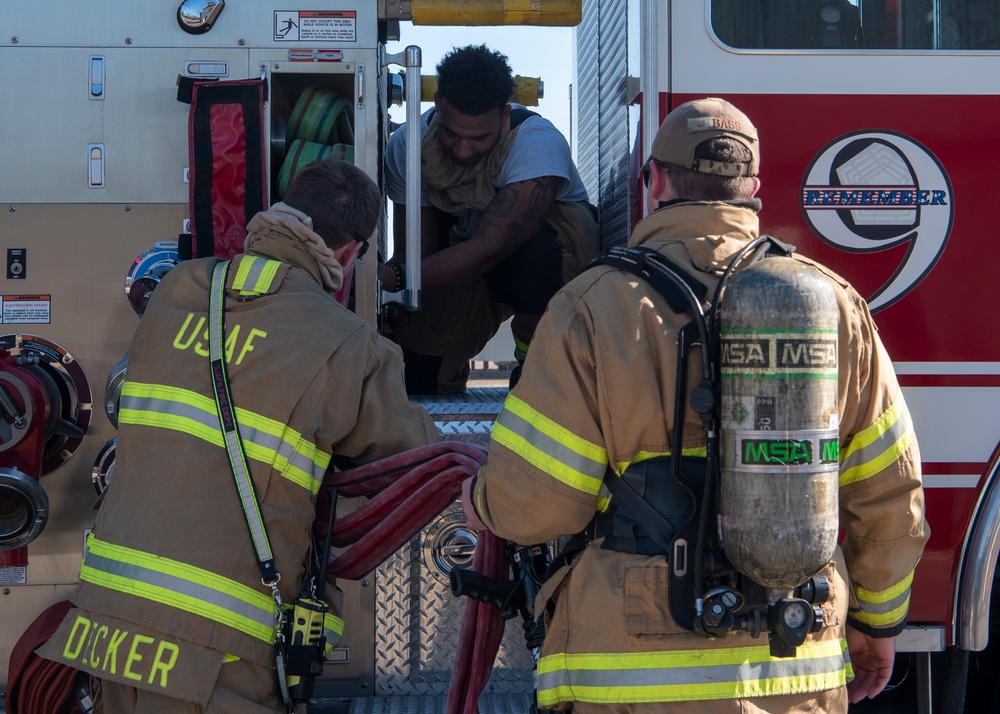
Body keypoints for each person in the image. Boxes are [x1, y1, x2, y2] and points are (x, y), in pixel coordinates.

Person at [462, 98, 928, 712]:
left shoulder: (590, 308)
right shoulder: (833, 305)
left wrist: (481, 501)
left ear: (652, 180)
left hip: (627, 671)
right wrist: (879, 625)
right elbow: (891, 494)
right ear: (754, 188)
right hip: (796, 661)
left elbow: (538, 505)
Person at [38, 158, 440, 713]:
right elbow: (419, 465)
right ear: (351, 254)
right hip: (213, 657)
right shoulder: (350, 346)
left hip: (106, 628)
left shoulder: (178, 288)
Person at [380, 44, 600, 394]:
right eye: (452, 133)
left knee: (536, 256)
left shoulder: (536, 142)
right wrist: (386, 280)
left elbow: (491, 246)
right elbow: (416, 258)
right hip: (463, 267)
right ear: (437, 103)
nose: (464, 149)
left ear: (503, 115)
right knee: (420, 376)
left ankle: (539, 364)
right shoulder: (409, 146)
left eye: (479, 138)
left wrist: (394, 278)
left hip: (539, 267)